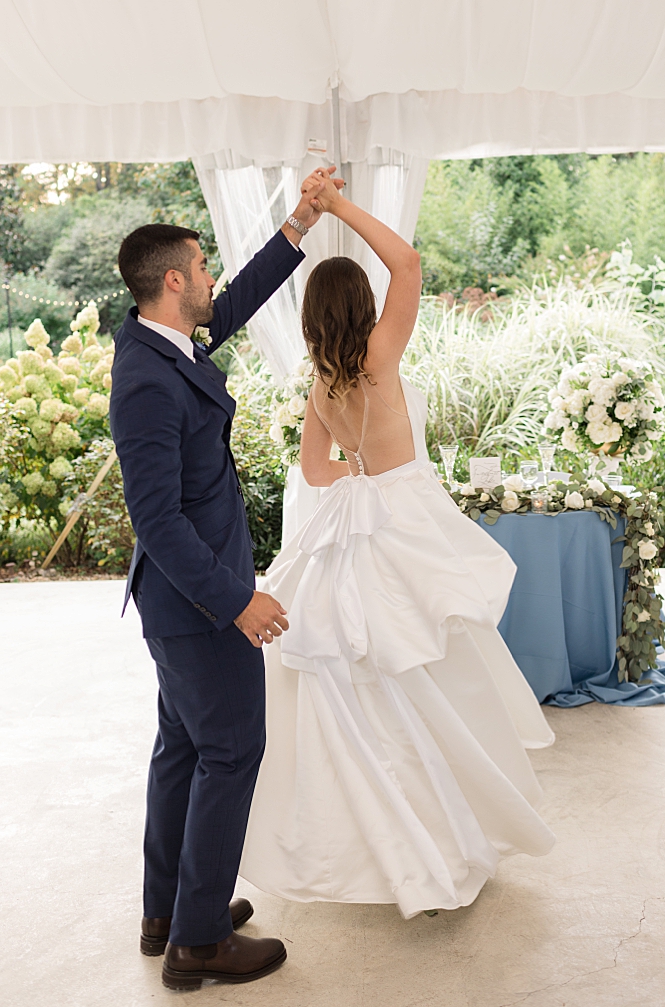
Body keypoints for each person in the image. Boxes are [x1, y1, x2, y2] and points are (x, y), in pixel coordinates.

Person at [240, 185, 555, 915]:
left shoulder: (321, 382)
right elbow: (407, 263)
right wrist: (339, 210)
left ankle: (386, 840)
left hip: (354, 518)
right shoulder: (381, 355)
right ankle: (454, 818)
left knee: (363, 677)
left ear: (315, 319)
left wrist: (355, 470)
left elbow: (315, 472)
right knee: (436, 668)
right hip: (407, 510)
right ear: (362, 309)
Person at [108, 168, 340, 990]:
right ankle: (200, 942)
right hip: (196, 603)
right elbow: (159, 521)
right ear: (174, 281)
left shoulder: (162, 338)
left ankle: (167, 910)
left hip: (185, 604)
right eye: (201, 270)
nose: (211, 281)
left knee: (183, 749)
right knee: (233, 750)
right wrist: (240, 599)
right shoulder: (143, 380)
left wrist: (300, 222)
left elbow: (235, 302)